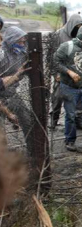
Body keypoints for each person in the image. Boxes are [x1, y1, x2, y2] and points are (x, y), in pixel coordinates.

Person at [54, 25, 82, 151]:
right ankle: (70, 140)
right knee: (70, 115)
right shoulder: (67, 46)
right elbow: (55, 61)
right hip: (69, 87)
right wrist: (69, 72)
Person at [0, 26, 34, 154]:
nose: (22, 45)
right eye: (19, 42)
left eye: (23, 42)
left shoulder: (22, 54)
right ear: (10, 40)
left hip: (12, 94)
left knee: (27, 120)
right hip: (0, 95)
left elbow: (27, 70)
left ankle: (32, 151)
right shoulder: (1, 55)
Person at [50, 14, 82, 130]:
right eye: (77, 26)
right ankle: (53, 120)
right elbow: (52, 56)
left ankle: (78, 120)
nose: (78, 28)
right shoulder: (58, 35)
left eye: (80, 26)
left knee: (79, 98)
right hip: (61, 70)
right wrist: (55, 73)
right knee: (57, 97)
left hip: (76, 72)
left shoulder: (80, 36)